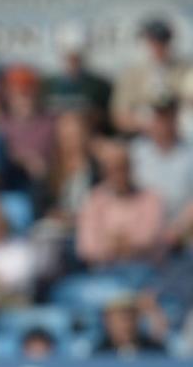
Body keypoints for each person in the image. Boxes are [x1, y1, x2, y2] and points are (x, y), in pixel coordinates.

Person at [76, 139, 164, 268]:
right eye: (111, 169)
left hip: (141, 270)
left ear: (131, 168)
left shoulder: (150, 198)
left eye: (122, 167)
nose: (117, 174)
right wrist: (113, 245)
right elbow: (86, 247)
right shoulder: (95, 199)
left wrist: (114, 242)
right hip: (103, 271)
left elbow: (148, 239)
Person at [112, 18, 190, 135]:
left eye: (163, 41)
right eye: (153, 41)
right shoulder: (132, 74)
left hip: (179, 135)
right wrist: (150, 125)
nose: (158, 46)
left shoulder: (184, 70)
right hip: (143, 136)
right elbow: (120, 117)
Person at [129, 95, 193, 224]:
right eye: (159, 117)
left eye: (168, 117)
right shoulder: (136, 151)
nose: (163, 123)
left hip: (182, 231)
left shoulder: (189, 152)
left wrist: (178, 230)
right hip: (141, 228)